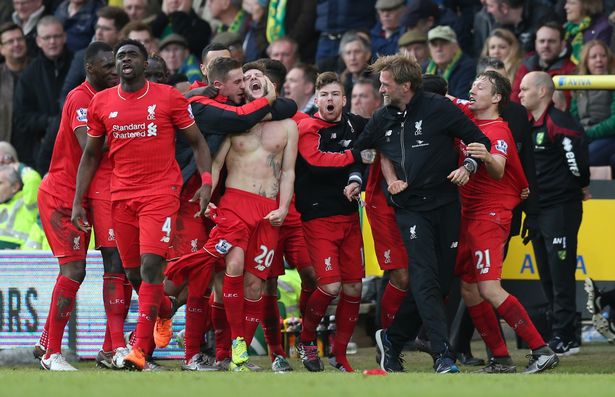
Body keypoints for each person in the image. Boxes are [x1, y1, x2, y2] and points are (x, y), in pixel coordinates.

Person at [71, 39, 213, 371]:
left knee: (151, 267)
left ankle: (139, 349)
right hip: (120, 197)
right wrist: (79, 201)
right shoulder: (102, 103)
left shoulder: (168, 98)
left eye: (131, 55)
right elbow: (91, 155)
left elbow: (198, 142)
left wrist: (206, 182)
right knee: (132, 272)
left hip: (160, 194)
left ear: (145, 63)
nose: (124, 61)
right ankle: (163, 310)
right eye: (120, 57)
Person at [350, 54, 490, 374]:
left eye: (386, 84)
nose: (381, 89)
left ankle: (393, 338)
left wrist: (469, 166)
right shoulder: (383, 116)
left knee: (440, 283)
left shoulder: (440, 109)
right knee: (425, 278)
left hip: (446, 204)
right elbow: (362, 151)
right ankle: (443, 355)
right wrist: (375, 175)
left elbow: (478, 140)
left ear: (406, 86)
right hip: (410, 208)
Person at [167, 62, 298, 372]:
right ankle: (227, 350)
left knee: (256, 286)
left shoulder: (288, 125)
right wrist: (207, 195)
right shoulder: (234, 123)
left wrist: (283, 206)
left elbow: (289, 170)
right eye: (245, 78)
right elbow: (214, 164)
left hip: (268, 211)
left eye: (256, 77)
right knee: (232, 267)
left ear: (270, 86)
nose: (250, 81)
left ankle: (236, 354)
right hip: (235, 205)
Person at [452, 71, 559, 374]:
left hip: (490, 216)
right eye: (472, 84)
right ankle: (500, 357)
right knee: (470, 289)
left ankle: (541, 350)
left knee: (489, 289)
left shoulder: (498, 131)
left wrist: (485, 156)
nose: (472, 89)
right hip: (470, 215)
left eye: (480, 87)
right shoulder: (468, 116)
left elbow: (498, 169)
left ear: (497, 97)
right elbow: (445, 98)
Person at [34, 41, 117, 371]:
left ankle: (46, 343)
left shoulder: (109, 98)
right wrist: (132, 130)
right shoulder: (80, 98)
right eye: (107, 66)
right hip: (62, 196)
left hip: (87, 197)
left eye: (116, 64)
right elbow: (89, 146)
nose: (114, 71)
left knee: (112, 265)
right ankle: (53, 353)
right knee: (74, 270)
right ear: (90, 69)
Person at [295, 71, 368, 373]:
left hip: (349, 216)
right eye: (324, 95)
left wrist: (356, 178)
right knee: (331, 286)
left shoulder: (355, 124)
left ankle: (340, 355)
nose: (329, 99)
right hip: (317, 216)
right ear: (316, 99)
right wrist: (354, 154)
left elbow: (365, 159)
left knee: (353, 289)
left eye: (335, 94)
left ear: (344, 99)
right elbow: (318, 161)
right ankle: (307, 340)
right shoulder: (307, 127)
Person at [519, 71, 590, 356]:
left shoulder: (559, 123)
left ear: (542, 92)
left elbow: (578, 166)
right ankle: (558, 331)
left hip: (560, 208)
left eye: (525, 89)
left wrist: (577, 187)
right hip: (539, 210)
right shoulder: (530, 124)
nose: (520, 94)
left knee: (560, 274)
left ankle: (565, 335)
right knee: (546, 273)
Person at [12, 15, 73, 174]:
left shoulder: (78, 64)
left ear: (64, 37)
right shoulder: (29, 75)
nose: (52, 42)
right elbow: (22, 117)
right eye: (47, 37)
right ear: (38, 41)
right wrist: (50, 122)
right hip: (45, 149)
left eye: (57, 36)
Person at [60, 6, 129, 101]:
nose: (99, 32)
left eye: (106, 29)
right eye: (98, 27)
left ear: (120, 33)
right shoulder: (83, 57)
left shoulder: (129, 59)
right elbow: (66, 93)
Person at [570, 40, 615, 174]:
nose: (599, 60)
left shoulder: (613, 82)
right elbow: (573, 116)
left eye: (603, 56)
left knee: (586, 157)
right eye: (593, 57)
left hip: (608, 137)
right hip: (583, 136)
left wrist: (589, 133)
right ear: (586, 61)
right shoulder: (578, 85)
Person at [511, 21, 576, 106]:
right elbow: (514, 100)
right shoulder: (525, 66)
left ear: (563, 44)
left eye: (551, 41)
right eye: (542, 41)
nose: (546, 45)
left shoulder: (571, 70)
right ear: (535, 44)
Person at [484, 0, 558, 53]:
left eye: (491, 6)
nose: (488, 11)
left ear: (504, 8)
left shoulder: (543, 17)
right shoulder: (498, 26)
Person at [425, 25, 476, 99]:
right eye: (434, 44)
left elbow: (461, 100)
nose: (438, 49)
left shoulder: (468, 67)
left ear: (455, 46)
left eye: (443, 43)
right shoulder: (424, 68)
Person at [0, 165, 43, 250]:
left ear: (15, 187)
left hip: (18, 258)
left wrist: (19, 167)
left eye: (0, 183)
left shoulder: (26, 202)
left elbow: (33, 180)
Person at [0, 22, 28, 143]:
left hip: (35, 146)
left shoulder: (38, 70)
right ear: (1, 49)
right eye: (10, 41)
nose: (16, 44)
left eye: (19, 39)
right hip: (5, 144)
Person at [563, 0, 612, 65]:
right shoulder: (567, 28)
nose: (565, 7)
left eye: (572, 3)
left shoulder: (603, 28)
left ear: (586, 5)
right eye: (567, 3)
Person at [339, 31, 374, 109]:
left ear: (368, 54)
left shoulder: (377, 81)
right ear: (343, 57)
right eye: (348, 53)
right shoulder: (341, 84)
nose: (352, 58)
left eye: (357, 52)